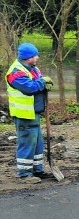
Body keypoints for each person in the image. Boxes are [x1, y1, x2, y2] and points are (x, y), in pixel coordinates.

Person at [5, 42, 54, 183]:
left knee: (37, 143)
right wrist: (42, 83)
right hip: (24, 115)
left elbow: (37, 83)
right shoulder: (16, 72)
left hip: (34, 113)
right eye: (35, 55)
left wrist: (44, 87)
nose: (37, 57)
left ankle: (38, 170)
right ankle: (25, 174)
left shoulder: (32, 68)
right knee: (27, 143)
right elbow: (29, 88)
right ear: (28, 57)